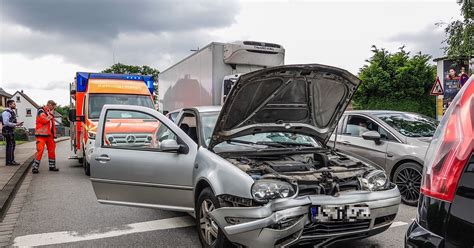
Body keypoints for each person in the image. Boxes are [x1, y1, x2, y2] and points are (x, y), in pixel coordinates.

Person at [32, 100, 59, 173]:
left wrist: (54, 135)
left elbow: (52, 125)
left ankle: (52, 166)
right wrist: (51, 115)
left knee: (52, 150)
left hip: (49, 135)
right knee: (40, 150)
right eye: (53, 106)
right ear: (49, 105)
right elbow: (44, 120)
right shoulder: (41, 111)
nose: (54, 108)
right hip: (41, 135)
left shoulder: (48, 112)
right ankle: (35, 167)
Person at [2, 100, 24, 166]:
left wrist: (17, 124)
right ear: (9, 105)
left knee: (11, 145)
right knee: (11, 145)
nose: (15, 105)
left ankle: (9, 161)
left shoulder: (11, 112)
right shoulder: (6, 112)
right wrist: (16, 124)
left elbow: (11, 122)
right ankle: (10, 161)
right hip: (7, 130)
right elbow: (6, 123)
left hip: (10, 130)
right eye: (14, 104)